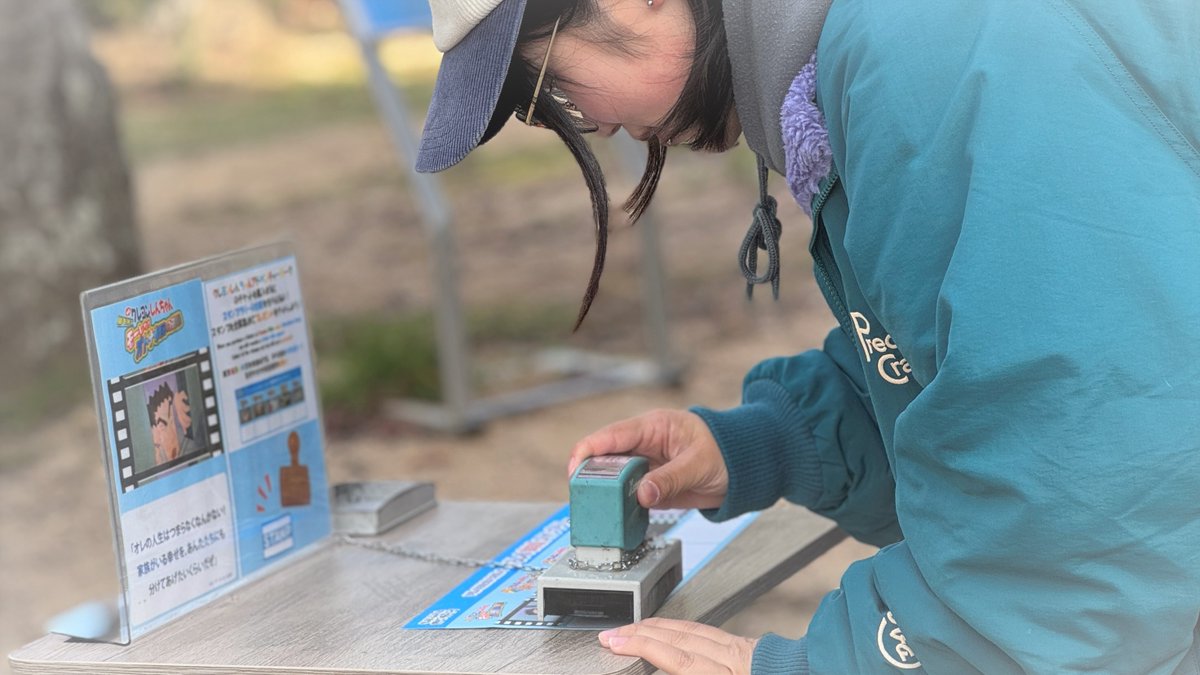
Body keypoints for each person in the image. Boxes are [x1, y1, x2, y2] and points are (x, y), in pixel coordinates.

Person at [416, 0, 1200, 672]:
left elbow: (1086, 479)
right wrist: (778, 441)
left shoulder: (926, 52)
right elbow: (998, 351)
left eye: (553, 87)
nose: (597, 123)